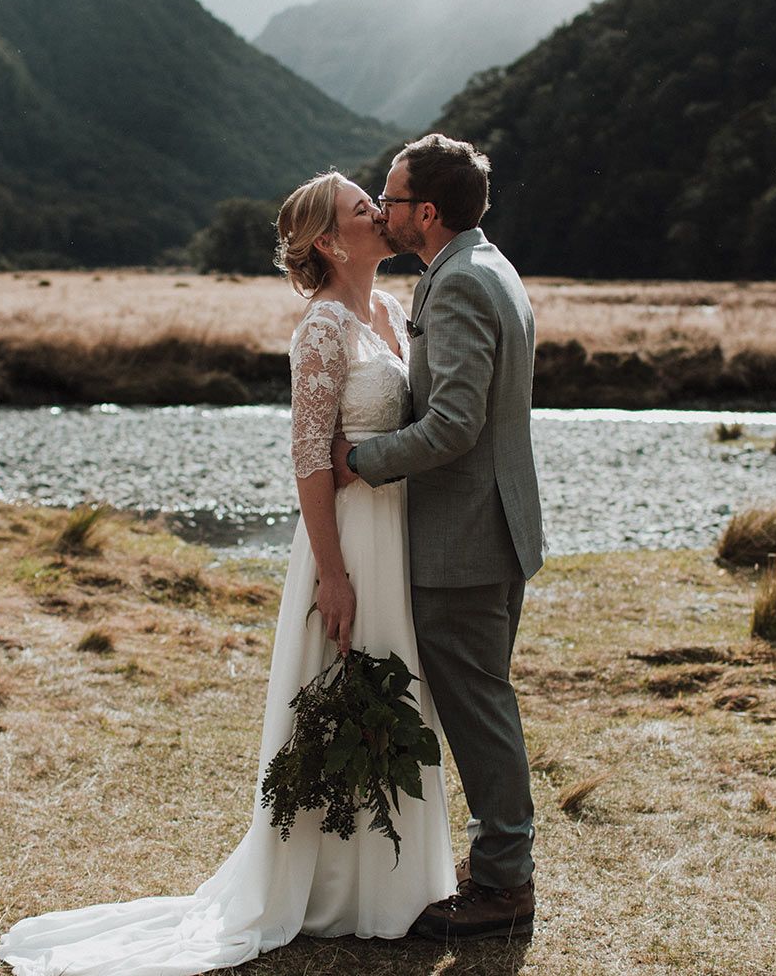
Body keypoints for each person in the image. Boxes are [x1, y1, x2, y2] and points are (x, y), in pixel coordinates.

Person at [0, 171, 453, 976]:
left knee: (395, 690)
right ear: (327, 240)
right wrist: (333, 576)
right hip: (347, 538)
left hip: (398, 532)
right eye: (360, 209)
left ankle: (391, 887)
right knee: (339, 687)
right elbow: (310, 457)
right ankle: (324, 886)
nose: (379, 214)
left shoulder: (388, 312)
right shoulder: (320, 329)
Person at [332, 132, 543, 944]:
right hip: (496, 525)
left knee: (479, 709)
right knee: (482, 700)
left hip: (463, 539)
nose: (382, 209)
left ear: (425, 210)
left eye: (389, 197)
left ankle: (502, 885)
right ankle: (499, 864)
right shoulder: (490, 266)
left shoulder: (455, 287)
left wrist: (363, 461)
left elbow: (455, 423)